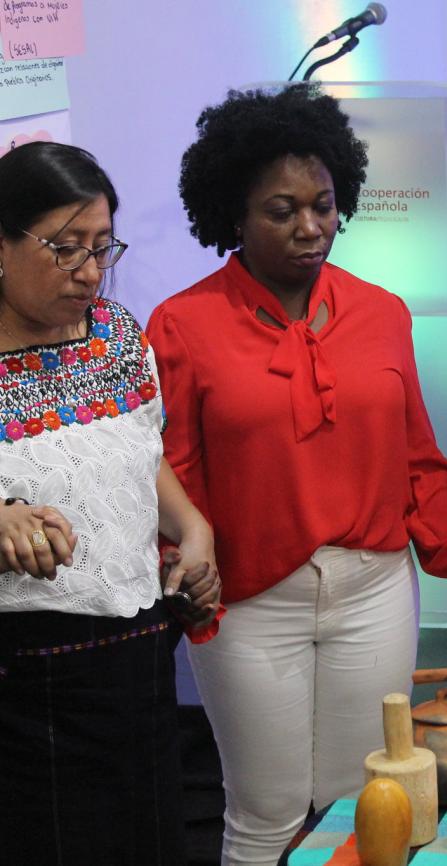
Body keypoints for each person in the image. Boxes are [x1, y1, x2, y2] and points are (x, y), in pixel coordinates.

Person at [147, 85, 447, 866]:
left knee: (361, 805)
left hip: (372, 592)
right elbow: (175, 474)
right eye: (281, 210)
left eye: (323, 205)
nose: (310, 228)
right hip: (249, 604)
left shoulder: (383, 311)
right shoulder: (181, 324)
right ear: (233, 213)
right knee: (264, 815)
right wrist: (181, 573)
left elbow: (416, 459)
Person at [0, 142, 220, 865]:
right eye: (66, 250)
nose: (92, 272)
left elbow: (139, 456)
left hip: (135, 655)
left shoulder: (120, 336)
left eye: (103, 247)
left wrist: (192, 527)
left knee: (148, 841)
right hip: (26, 674)